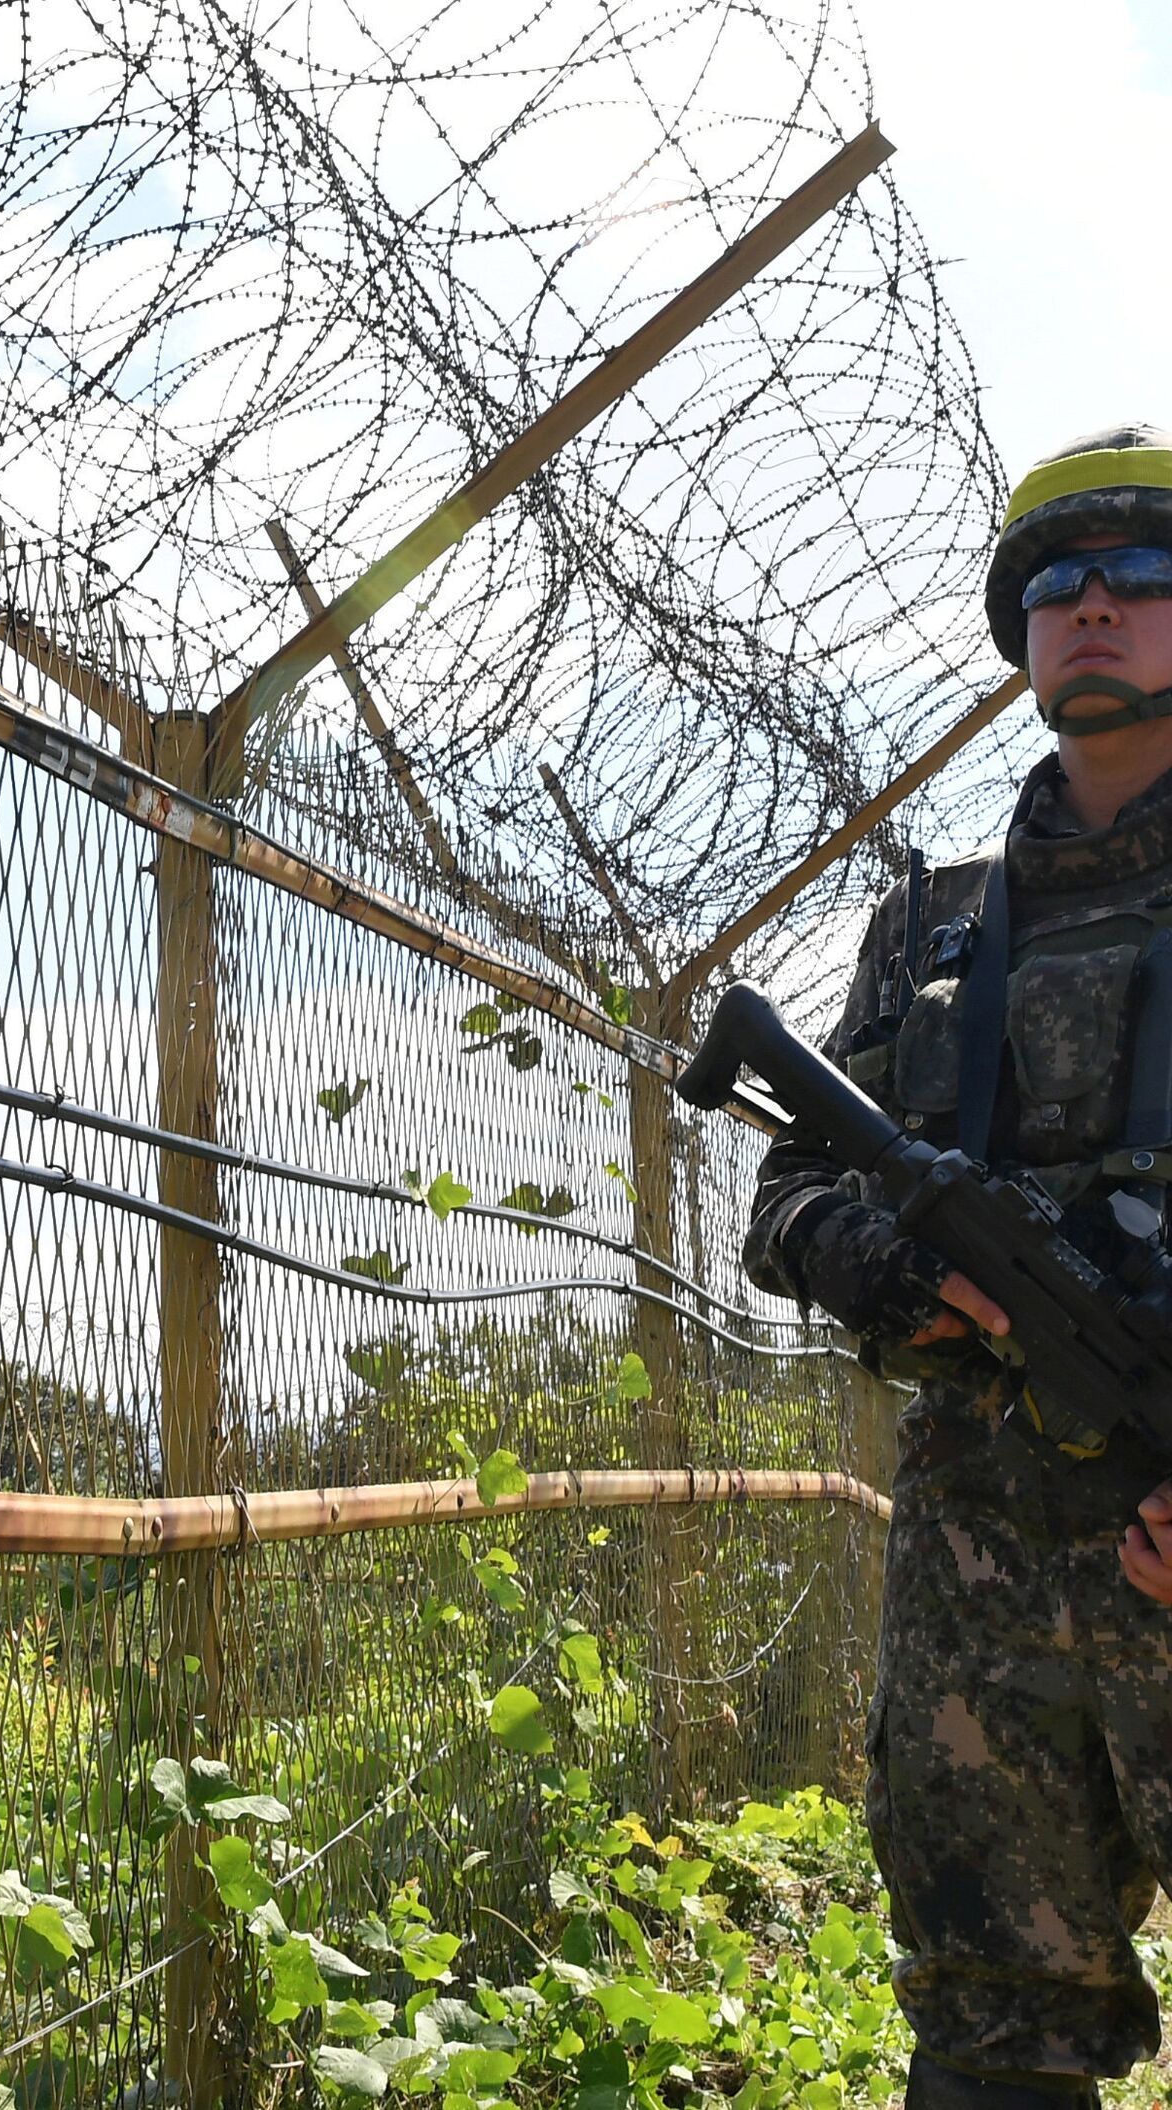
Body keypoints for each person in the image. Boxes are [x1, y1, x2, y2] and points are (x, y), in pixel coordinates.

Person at [743, 424, 1172, 2107]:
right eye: (1057, 582)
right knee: (993, 2037)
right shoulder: (933, 925)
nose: (1094, 604)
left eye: (1141, 572)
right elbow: (787, 1193)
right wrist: (894, 1270)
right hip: (975, 1572)